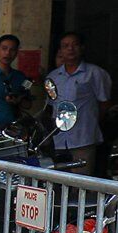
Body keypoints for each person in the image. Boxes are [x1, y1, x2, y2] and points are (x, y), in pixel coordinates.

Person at [47, 31, 112, 174]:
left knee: (81, 181)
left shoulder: (95, 73)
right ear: (60, 51)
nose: (70, 49)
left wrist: (90, 122)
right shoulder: (53, 77)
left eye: (74, 45)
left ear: (82, 48)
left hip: (83, 138)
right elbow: (52, 106)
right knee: (59, 181)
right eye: (65, 46)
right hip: (59, 139)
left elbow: (104, 103)